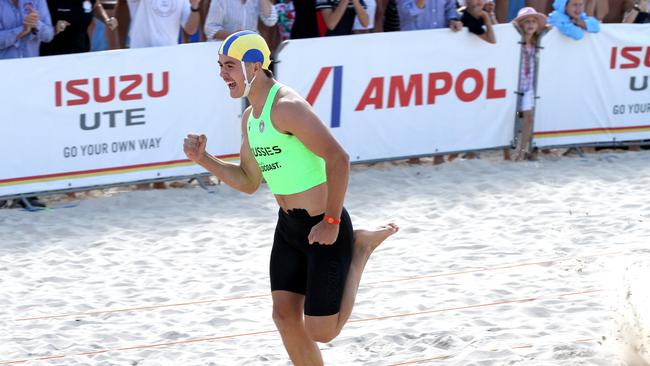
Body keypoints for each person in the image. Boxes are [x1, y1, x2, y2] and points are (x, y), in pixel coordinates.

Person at [183, 30, 398, 365]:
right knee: (284, 318)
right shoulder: (250, 119)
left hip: (323, 225)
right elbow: (249, 181)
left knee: (322, 332)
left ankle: (360, 247)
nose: (222, 74)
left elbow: (338, 159)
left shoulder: (286, 108)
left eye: (229, 65)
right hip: (289, 227)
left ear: (253, 67)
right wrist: (204, 160)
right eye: (220, 66)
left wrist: (331, 220)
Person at [512, 7, 547, 160]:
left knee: (529, 118)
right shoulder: (514, 42)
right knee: (509, 118)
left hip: (528, 86)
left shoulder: (537, 42)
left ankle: (522, 150)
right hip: (514, 86)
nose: (531, 25)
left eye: (533, 21)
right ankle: (508, 151)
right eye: (527, 22)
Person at [40, 0, 118, 56]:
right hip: (53, 55)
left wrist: (106, 19)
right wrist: (54, 28)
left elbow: (96, 6)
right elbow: (38, 22)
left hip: (82, 52)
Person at [204, 0, 277, 41]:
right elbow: (210, 28)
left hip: (249, 49)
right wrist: (233, 36)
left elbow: (271, 20)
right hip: (223, 50)